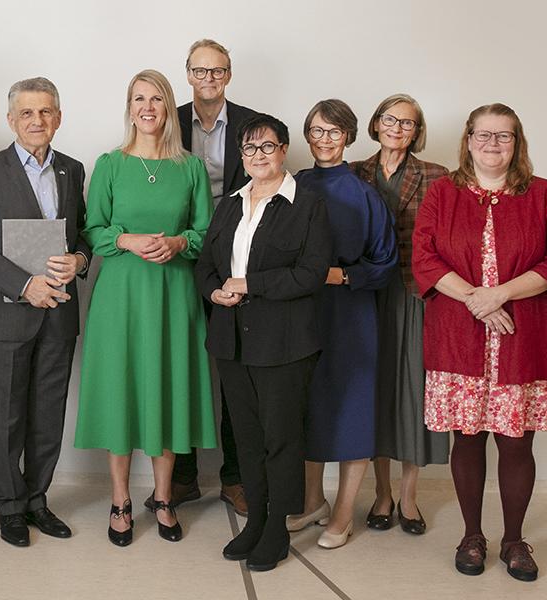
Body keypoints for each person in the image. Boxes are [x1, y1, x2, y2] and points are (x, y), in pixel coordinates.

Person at [413, 103, 547, 582]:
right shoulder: (442, 193)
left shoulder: (544, 194)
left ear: (517, 143)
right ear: (467, 140)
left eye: (503, 137)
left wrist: (500, 294)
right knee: (466, 438)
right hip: (457, 336)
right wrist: (473, 300)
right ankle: (471, 535)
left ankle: (513, 539)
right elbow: (423, 256)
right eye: (483, 135)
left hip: (522, 336)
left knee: (515, 441)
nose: (492, 144)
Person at [75, 69, 215, 546]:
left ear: (169, 106)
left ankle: (163, 497)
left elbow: (205, 235)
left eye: (157, 98)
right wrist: (126, 238)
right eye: (139, 98)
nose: (148, 107)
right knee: (123, 390)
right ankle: (120, 500)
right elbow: (93, 230)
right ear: (129, 107)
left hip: (173, 294)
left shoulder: (190, 167)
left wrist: (178, 242)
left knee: (167, 388)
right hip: (119, 295)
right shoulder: (110, 164)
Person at [195, 113, 332, 571]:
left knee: (281, 438)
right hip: (232, 340)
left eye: (267, 147)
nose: (258, 156)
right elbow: (206, 264)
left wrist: (249, 284)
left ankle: (277, 526)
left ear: (283, 150)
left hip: (285, 342)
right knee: (247, 438)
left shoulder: (307, 204)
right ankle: (254, 522)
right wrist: (215, 290)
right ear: (241, 156)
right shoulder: (230, 203)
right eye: (249, 149)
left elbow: (310, 275)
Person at [0, 77, 91, 547]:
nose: (37, 121)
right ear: (11, 120)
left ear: (59, 116)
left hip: (58, 314)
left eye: (46, 112)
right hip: (7, 314)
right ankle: (10, 506)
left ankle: (38, 499)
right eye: (27, 114)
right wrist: (23, 284)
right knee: (8, 417)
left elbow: (84, 239)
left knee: (48, 414)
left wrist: (79, 261)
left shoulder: (72, 170)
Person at [163, 38, 266, 517]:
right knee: (182, 365)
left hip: (235, 258)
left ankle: (235, 477)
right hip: (179, 256)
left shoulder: (249, 123)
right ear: (187, 74)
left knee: (234, 369)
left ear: (229, 74)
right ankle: (182, 478)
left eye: (218, 71)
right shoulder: (166, 119)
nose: (209, 79)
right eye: (200, 71)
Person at [288, 100, 397, 550]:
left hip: (351, 313)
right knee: (308, 406)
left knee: (353, 410)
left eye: (334, 132)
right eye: (316, 131)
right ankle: (313, 500)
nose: (324, 140)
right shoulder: (293, 185)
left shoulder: (364, 192)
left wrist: (340, 275)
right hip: (302, 312)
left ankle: (343, 511)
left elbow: (385, 262)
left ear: (349, 136)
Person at [349, 93, 450, 535]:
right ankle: (382, 492)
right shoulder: (354, 173)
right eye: (391, 119)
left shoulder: (437, 176)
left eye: (408, 123)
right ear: (376, 124)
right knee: (376, 396)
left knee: (413, 394)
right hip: (366, 298)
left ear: (417, 131)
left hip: (414, 297)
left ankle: (409, 496)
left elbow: (445, 242)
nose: (397, 128)